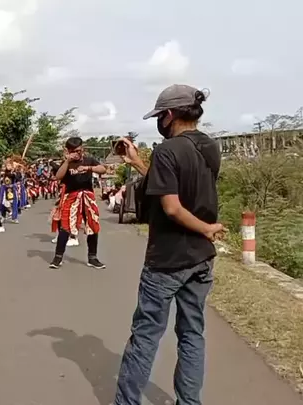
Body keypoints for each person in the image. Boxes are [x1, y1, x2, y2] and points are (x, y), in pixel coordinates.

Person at [113, 85, 224, 405]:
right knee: (192, 334)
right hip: (200, 259)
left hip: (167, 259)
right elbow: (169, 185)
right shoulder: (210, 147)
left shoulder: (167, 150)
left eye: (159, 116)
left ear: (170, 114)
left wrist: (207, 228)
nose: (158, 122)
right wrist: (138, 163)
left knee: (146, 335)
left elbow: (172, 207)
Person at [49, 137, 107, 269]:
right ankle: (58, 257)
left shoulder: (89, 160)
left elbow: (103, 169)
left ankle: (92, 257)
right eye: (74, 151)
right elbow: (58, 176)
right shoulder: (66, 163)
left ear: (83, 149)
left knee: (92, 225)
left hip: (87, 196)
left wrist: (88, 168)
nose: (77, 153)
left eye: (79, 150)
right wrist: (67, 161)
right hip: (71, 196)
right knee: (65, 226)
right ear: (68, 151)